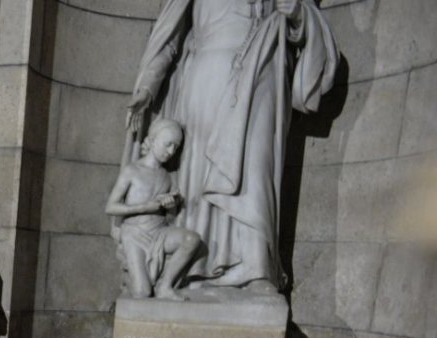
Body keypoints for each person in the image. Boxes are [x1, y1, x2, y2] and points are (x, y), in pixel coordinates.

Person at [126, 0, 338, 290]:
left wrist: (298, 14)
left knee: (256, 166)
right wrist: (148, 86)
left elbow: (305, 24)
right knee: (199, 178)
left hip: (263, 67)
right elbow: (169, 36)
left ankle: (256, 267)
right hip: (205, 78)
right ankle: (194, 269)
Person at [106, 118, 202, 300]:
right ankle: (131, 278)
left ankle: (165, 286)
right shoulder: (132, 171)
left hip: (158, 231)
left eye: (176, 147)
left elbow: (170, 217)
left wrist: (171, 207)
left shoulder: (168, 177)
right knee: (142, 292)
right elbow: (111, 207)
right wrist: (145, 207)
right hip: (134, 234)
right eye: (168, 144)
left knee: (191, 239)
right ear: (153, 139)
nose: (171, 151)